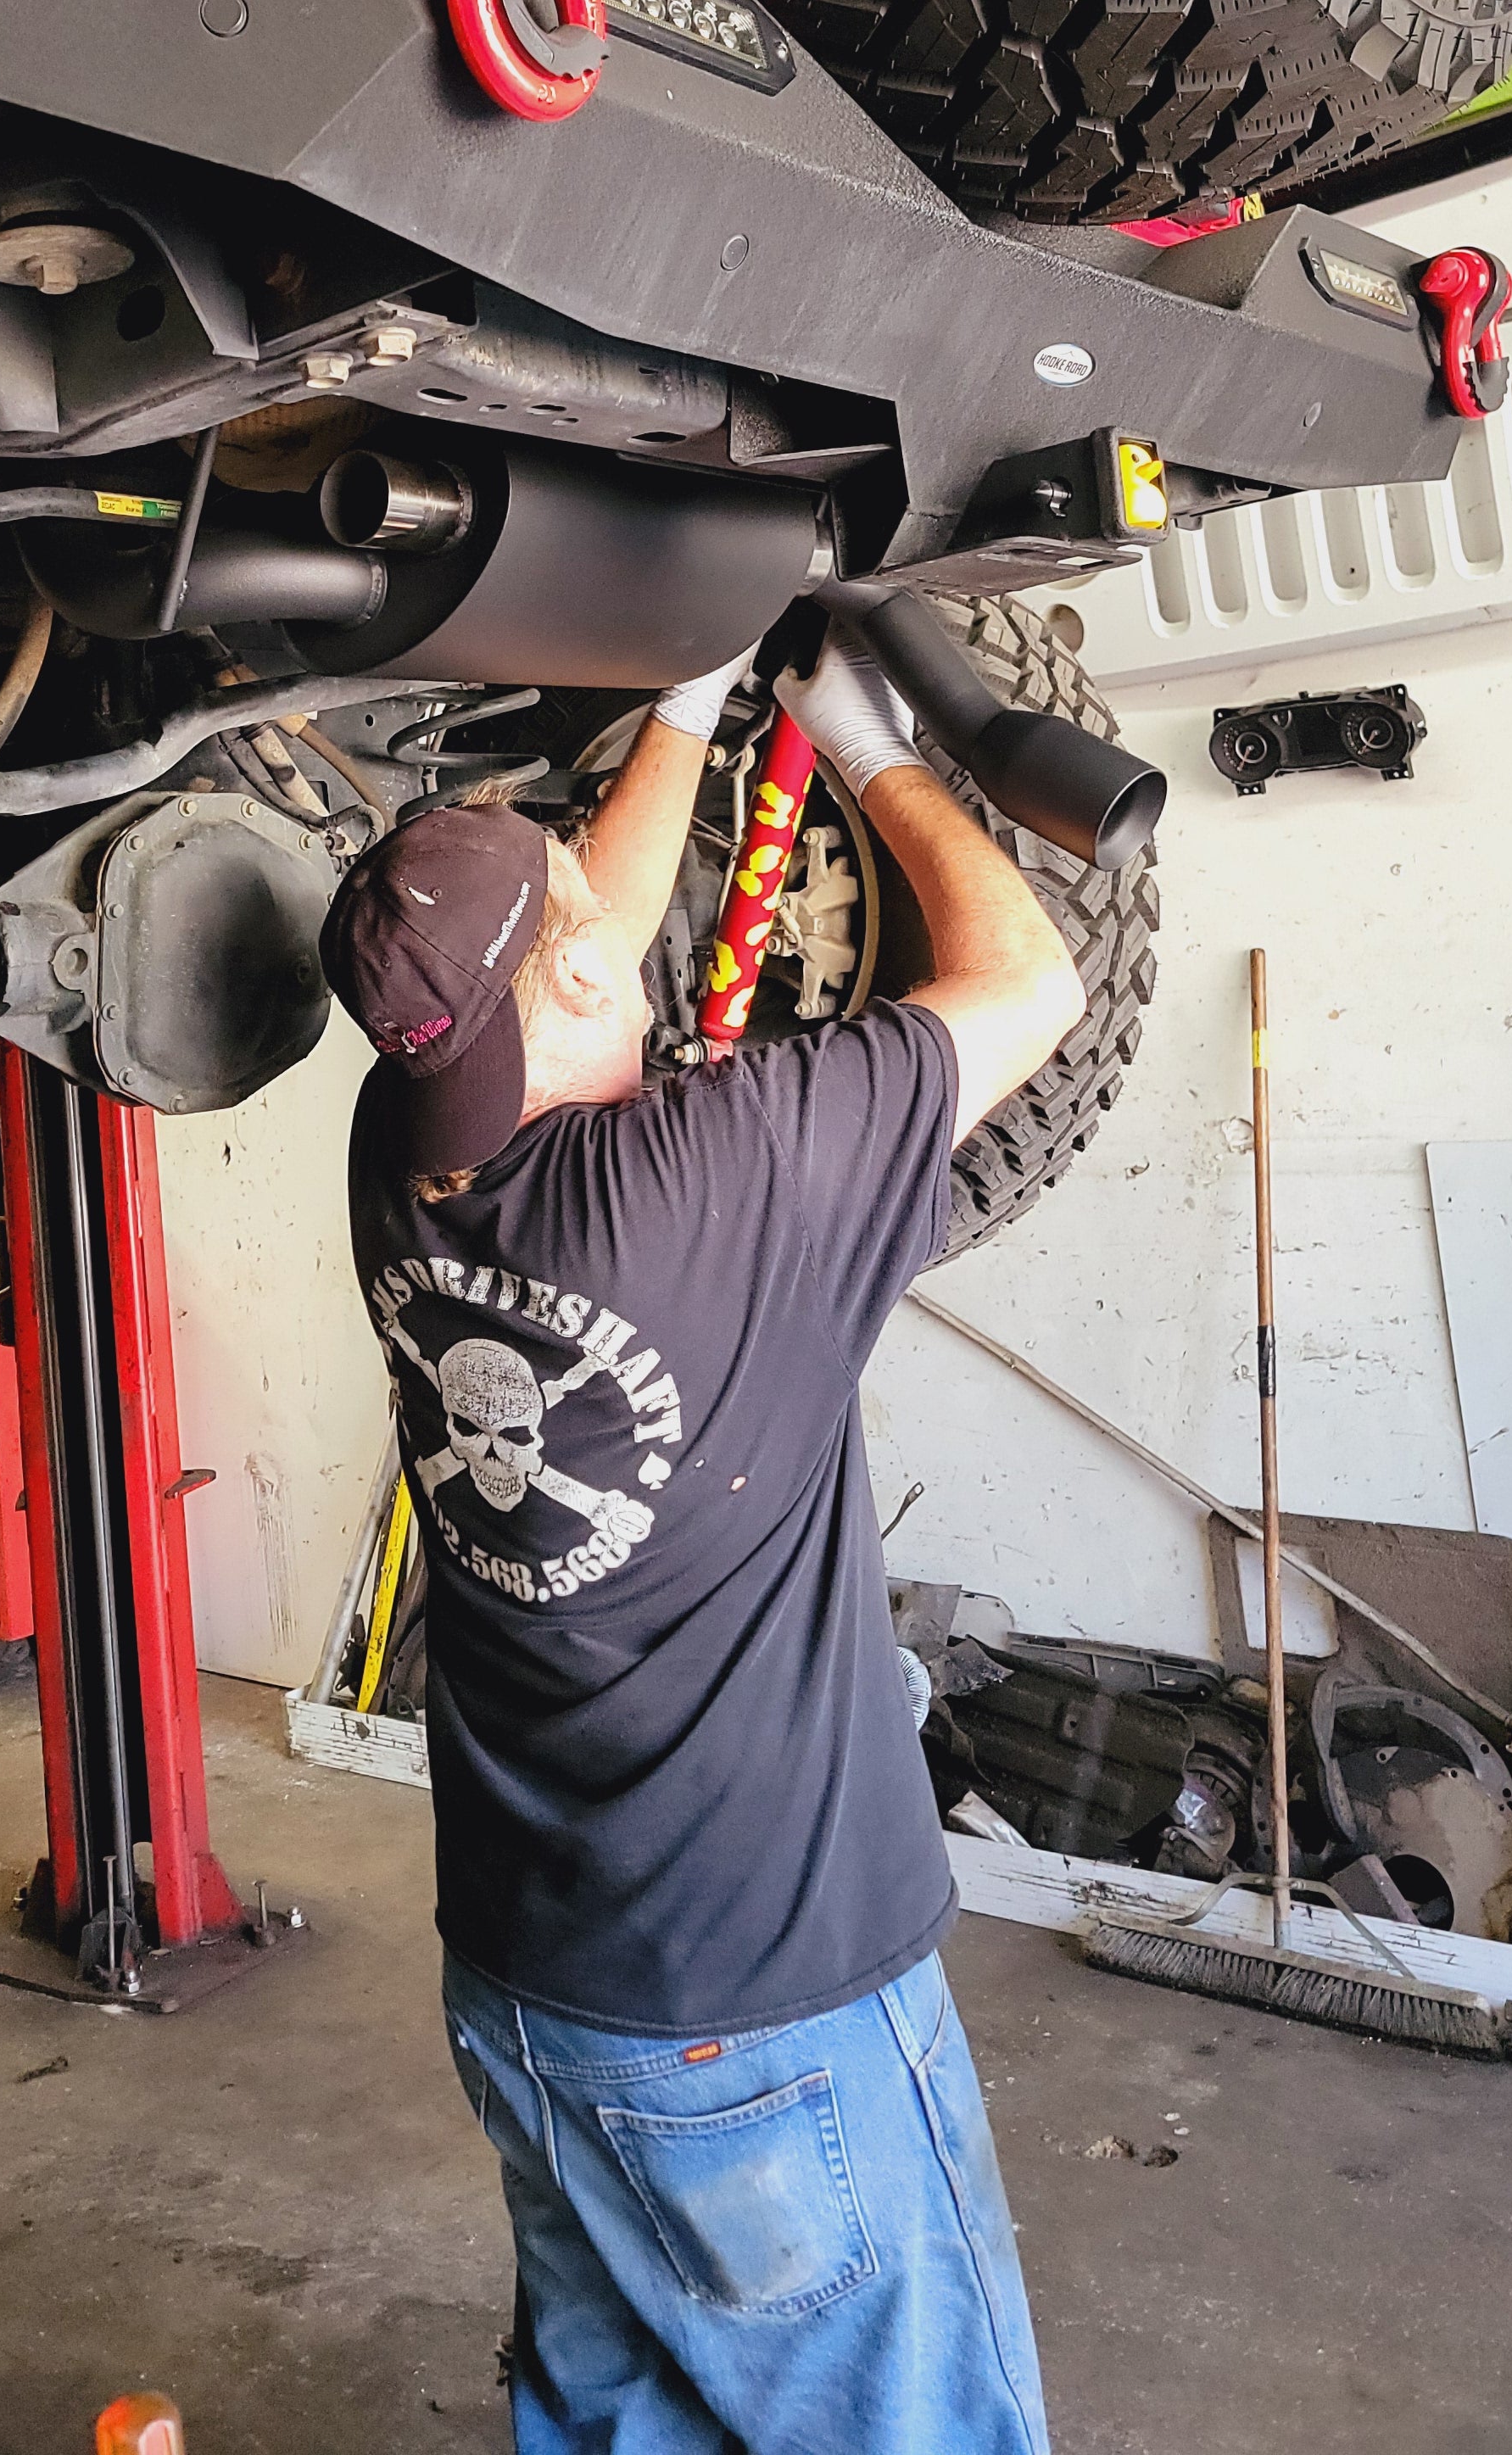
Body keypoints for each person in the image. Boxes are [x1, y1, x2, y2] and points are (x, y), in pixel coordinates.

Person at [318, 624, 1085, 2455]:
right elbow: (1033, 981)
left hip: (539, 1991)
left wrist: (687, 694)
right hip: (763, 2017)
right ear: (575, 970)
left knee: (620, 2417)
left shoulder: (403, 1144)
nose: (609, 902)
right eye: (583, 907)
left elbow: (583, 933)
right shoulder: (710, 1174)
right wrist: (860, 737)